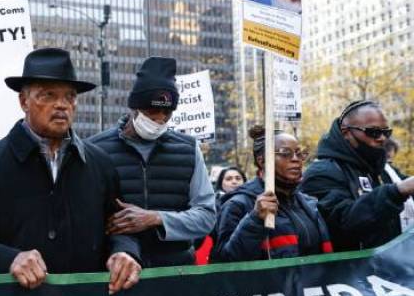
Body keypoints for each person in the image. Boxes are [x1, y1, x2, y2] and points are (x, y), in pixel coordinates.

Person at [0, 48, 142, 293]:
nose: (62, 105)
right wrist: (8, 259)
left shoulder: (100, 164)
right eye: (48, 95)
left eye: (70, 96)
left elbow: (121, 228)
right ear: (23, 101)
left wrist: (124, 252)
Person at [86, 57, 216, 268]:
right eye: (152, 112)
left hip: (176, 270)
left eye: (167, 113)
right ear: (135, 107)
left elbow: (207, 216)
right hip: (117, 269)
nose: (160, 120)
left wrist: (156, 218)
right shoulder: (96, 149)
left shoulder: (188, 149)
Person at [301, 100, 414, 251]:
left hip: (394, 262)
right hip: (352, 265)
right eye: (373, 132)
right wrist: (396, 192)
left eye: (386, 132)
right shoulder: (322, 172)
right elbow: (341, 222)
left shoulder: (385, 170)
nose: (382, 138)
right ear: (346, 132)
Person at [212, 126, 332, 261]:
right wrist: (255, 220)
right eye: (285, 153)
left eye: (299, 153)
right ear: (262, 161)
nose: (296, 159)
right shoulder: (238, 205)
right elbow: (226, 260)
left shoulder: (310, 204)